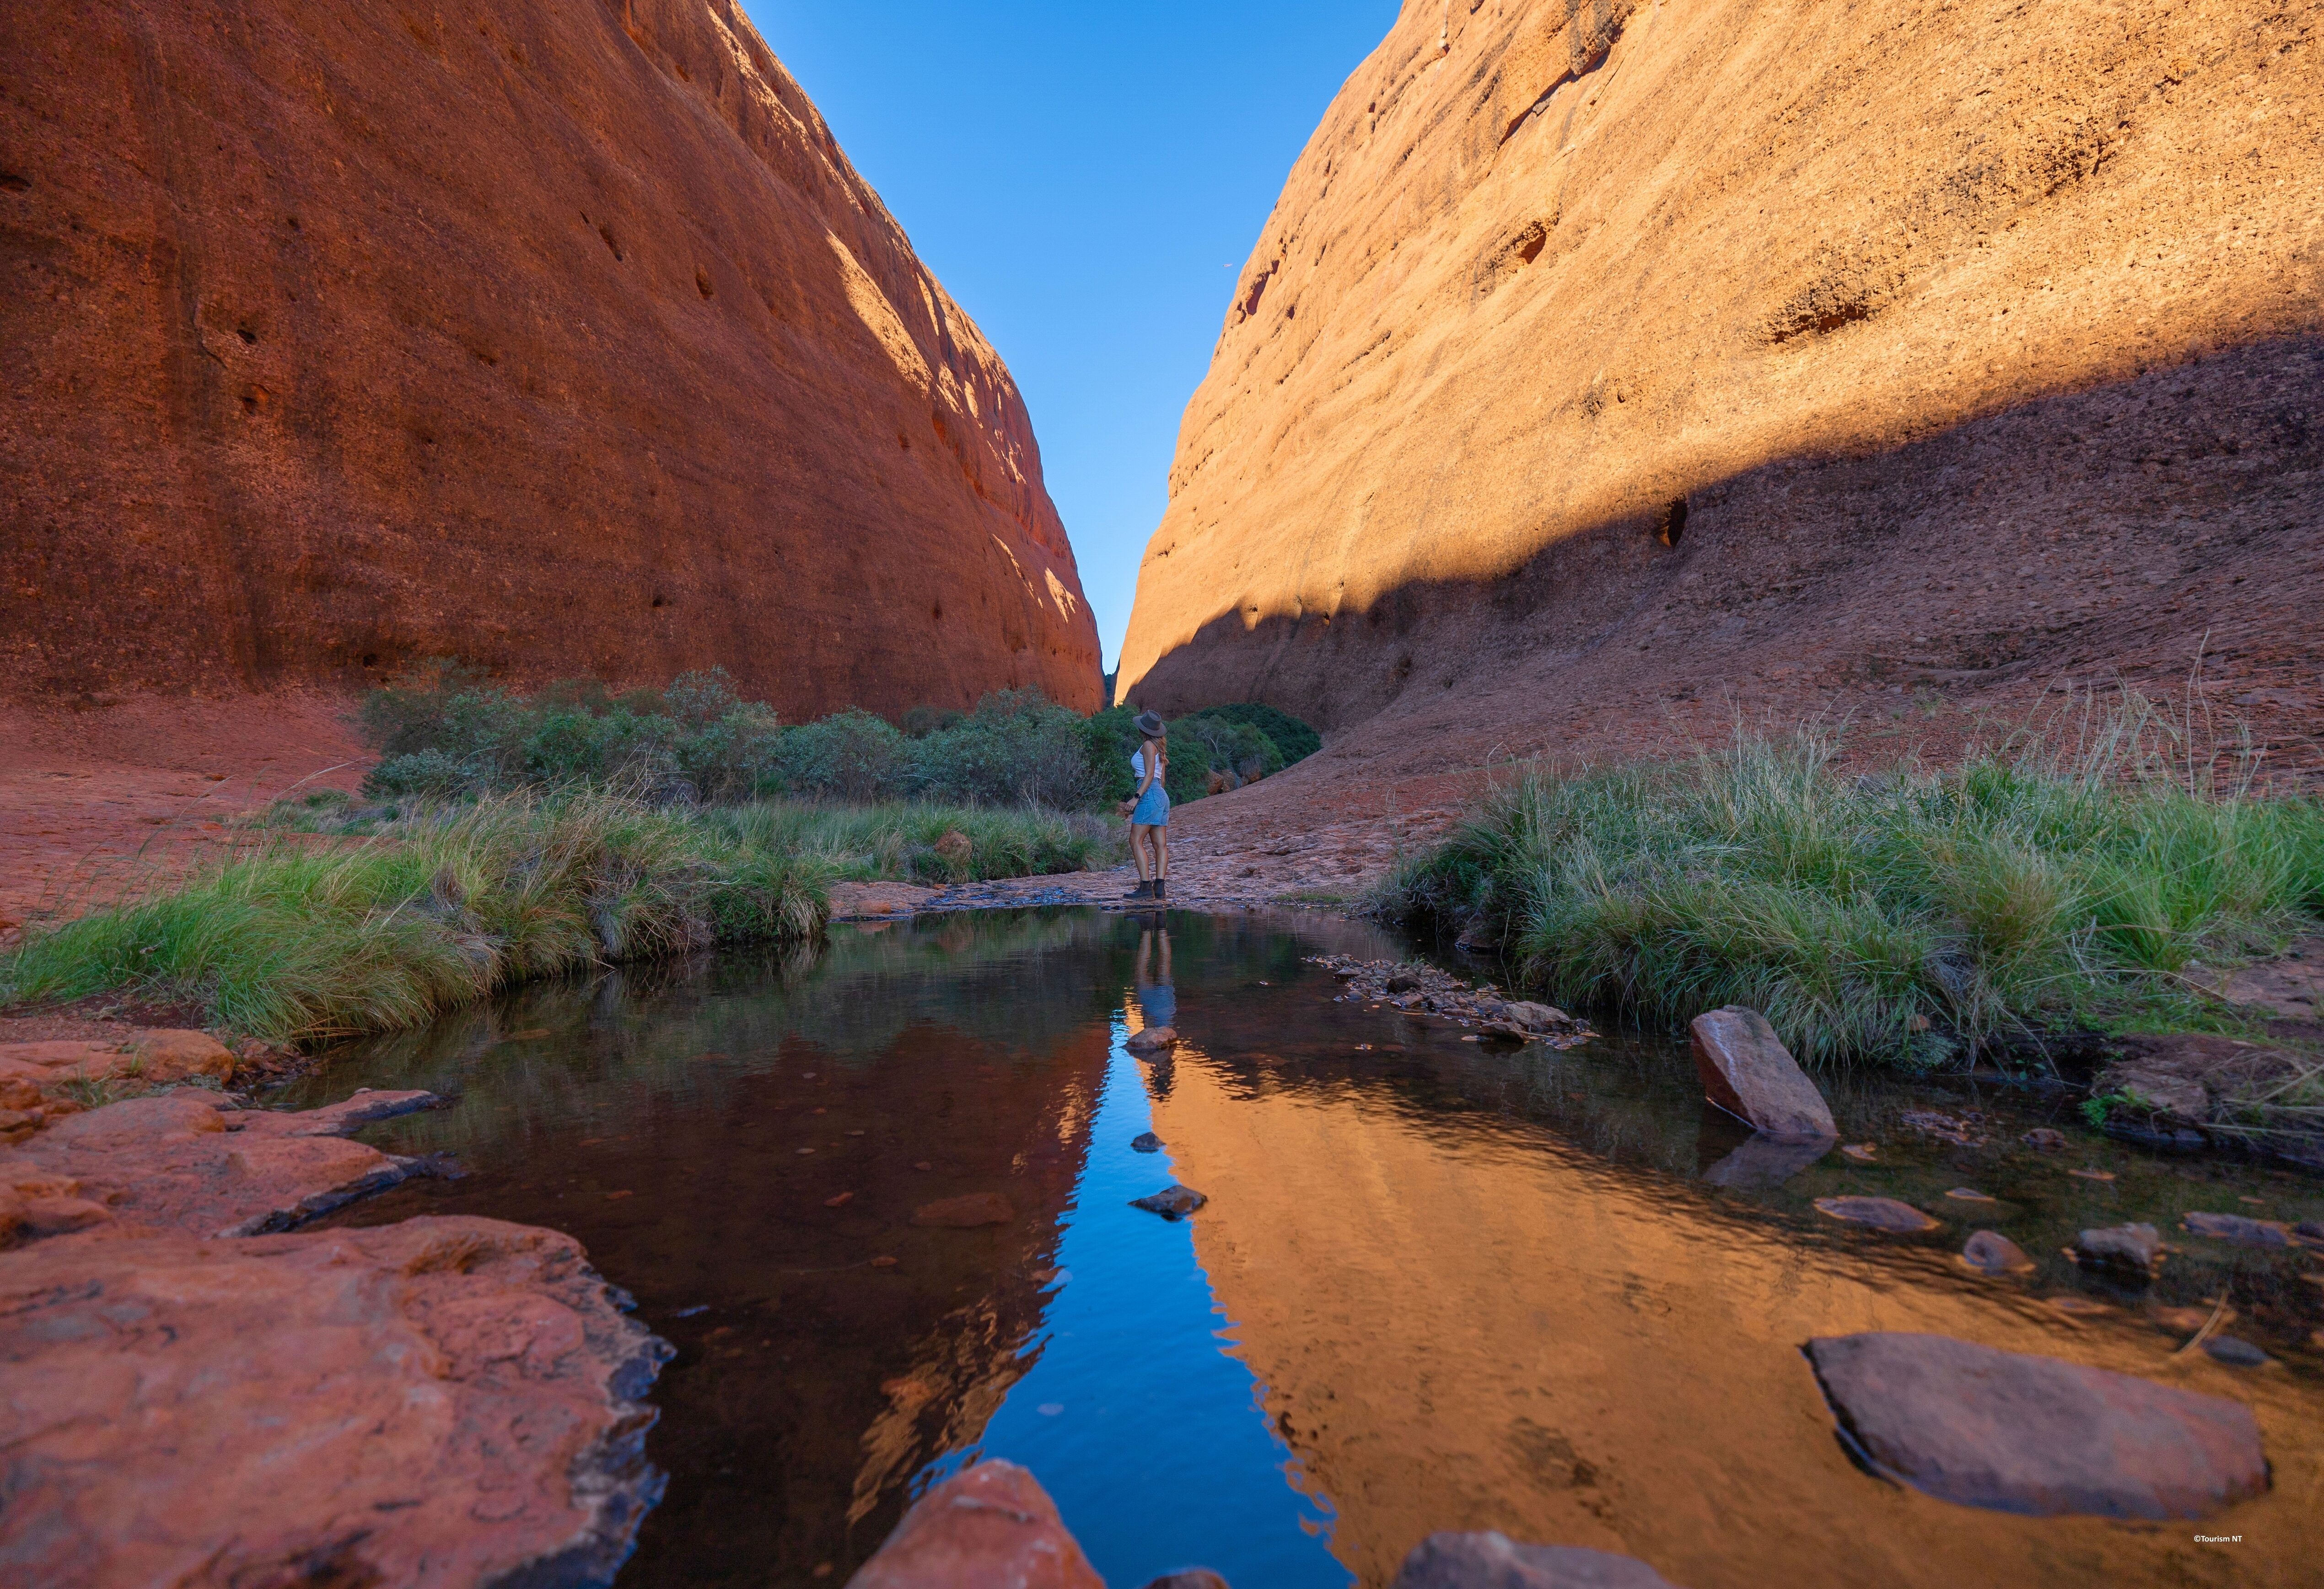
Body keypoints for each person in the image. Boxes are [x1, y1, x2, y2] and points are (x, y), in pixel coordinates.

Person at [1121, 709, 1170, 901]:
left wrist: (1137, 797)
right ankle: (1159, 888)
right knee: (1160, 845)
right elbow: (1161, 779)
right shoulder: (1160, 748)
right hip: (1161, 795)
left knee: (1135, 841)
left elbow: (1149, 775)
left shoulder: (1148, 745)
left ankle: (1144, 888)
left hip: (1148, 792)